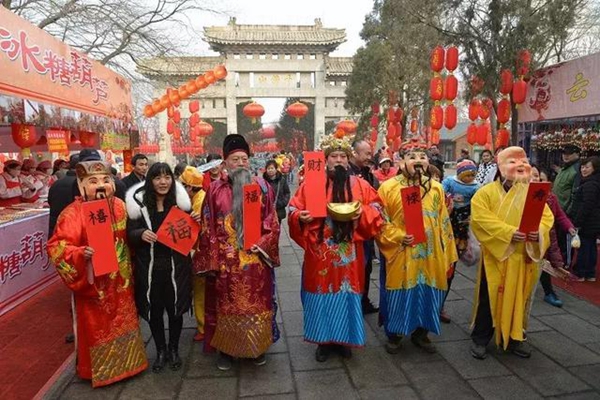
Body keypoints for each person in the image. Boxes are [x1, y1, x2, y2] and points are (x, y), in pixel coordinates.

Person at [47, 160, 148, 387]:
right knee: (98, 326)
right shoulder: (73, 213)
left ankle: (129, 364)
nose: (101, 186)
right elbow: (57, 246)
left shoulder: (121, 206)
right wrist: (81, 253)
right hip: (95, 284)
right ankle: (100, 369)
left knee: (125, 321)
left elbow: (132, 236)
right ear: (81, 185)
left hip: (121, 282)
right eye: (93, 182)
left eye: (105, 180)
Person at [289, 133, 383, 361]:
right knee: (320, 295)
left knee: (347, 294)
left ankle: (344, 340)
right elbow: (292, 209)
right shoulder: (311, 185)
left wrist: (363, 213)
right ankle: (323, 341)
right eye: (334, 156)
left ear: (348, 160)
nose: (339, 160)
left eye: (343, 156)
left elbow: (378, 210)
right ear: (325, 160)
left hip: (349, 255)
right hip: (320, 252)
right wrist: (299, 217)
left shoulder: (360, 185)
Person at [194, 134, 280, 371]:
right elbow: (207, 225)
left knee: (256, 304)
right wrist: (213, 258)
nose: (241, 163)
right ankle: (227, 350)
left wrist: (263, 244)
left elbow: (272, 221)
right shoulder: (213, 190)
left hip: (255, 260)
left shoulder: (262, 187)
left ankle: (256, 348)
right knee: (225, 306)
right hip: (226, 262)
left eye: (244, 159)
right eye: (235, 159)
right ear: (225, 163)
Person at [469, 147, 553, 360]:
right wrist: (508, 233)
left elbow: (546, 218)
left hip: (522, 256)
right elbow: (480, 219)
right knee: (489, 297)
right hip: (497, 255)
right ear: (500, 167)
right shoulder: (485, 193)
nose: (520, 166)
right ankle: (481, 338)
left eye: (523, 161)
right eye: (513, 162)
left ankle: (515, 337)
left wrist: (538, 234)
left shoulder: (533, 193)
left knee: (519, 297)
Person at [377, 140, 458, 355]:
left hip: (431, 253)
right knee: (400, 291)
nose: (418, 161)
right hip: (403, 251)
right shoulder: (388, 188)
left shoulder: (436, 188)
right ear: (401, 161)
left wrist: (449, 252)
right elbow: (380, 221)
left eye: (422, 157)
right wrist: (398, 236)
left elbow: (443, 221)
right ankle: (394, 335)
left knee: (428, 290)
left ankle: (421, 333)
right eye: (412, 157)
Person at [126, 163, 194, 373]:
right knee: (155, 312)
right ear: (150, 181)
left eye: (166, 177)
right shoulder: (139, 205)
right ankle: (161, 350)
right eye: (157, 178)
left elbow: (189, 234)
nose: (163, 182)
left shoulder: (181, 204)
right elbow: (129, 232)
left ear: (172, 180)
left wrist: (193, 222)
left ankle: (174, 349)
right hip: (151, 268)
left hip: (177, 267)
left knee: (175, 311)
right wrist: (140, 234)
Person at [531, 166, 575, 307]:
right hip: (526, 239)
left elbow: (560, 215)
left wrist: (569, 227)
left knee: (544, 265)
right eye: (531, 176)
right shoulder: (519, 196)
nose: (535, 179)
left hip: (546, 237)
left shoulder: (550, 197)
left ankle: (549, 292)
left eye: (538, 176)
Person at [349, 138, 380, 314]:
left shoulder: (367, 172)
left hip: (365, 224)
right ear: (354, 153)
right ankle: (354, 299)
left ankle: (363, 298)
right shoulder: (345, 174)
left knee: (366, 266)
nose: (370, 156)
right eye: (367, 153)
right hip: (350, 229)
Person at [179, 166, 207, 342]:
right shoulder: (198, 197)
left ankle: (203, 327)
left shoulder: (198, 201)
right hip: (199, 251)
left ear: (189, 187)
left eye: (182, 184)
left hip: (199, 252)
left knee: (200, 292)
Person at [572, 156, 600, 282]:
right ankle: (590, 272)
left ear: (595, 168)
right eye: (582, 167)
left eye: (587, 167)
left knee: (585, 246)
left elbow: (586, 205)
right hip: (593, 221)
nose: (584, 169)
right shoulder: (592, 182)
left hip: (588, 221)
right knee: (591, 246)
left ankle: (581, 272)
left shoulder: (590, 184)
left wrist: (578, 221)